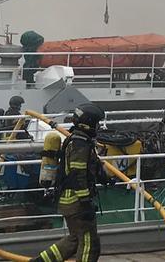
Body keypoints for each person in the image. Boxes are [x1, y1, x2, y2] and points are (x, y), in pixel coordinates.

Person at [33, 103, 110, 262]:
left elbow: (89, 166)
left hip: (68, 200)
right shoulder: (80, 143)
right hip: (76, 201)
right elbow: (78, 174)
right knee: (90, 243)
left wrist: (105, 178)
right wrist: (85, 202)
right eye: (96, 123)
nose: (98, 127)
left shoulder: (78, 140)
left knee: (75, 239)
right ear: (88, 123)